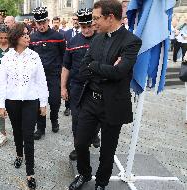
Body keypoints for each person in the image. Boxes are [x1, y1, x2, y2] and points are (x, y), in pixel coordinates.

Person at [68, 1, 142, 190]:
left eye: (96, 18)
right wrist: (106, 69)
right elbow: (82, 69)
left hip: (113, 103)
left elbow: (120, 72)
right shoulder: (97, 38)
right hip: (91, 99)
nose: (93, 23)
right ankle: (84, 173)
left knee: (107, 149)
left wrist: (96, 67)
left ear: (110, 17)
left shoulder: (131, 41)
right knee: (80, 142)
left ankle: (101, 182)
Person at [0, 23, 49, 190]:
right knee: (17, 132)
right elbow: (1, 83)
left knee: (28, 135)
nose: (28, 37)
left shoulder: (34, 56)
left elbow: (41, 81)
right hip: (12, 101)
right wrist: (1, 105)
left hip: (30, 101)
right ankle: (19, 154)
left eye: (28, 34)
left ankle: (30, 172)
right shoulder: (7, 58)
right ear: (16, 37)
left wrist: (43, 103)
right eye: (24, 34)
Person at [61, 8, 100, 162]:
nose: (87, 30)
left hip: (96, 85)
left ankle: (93, 134)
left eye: (89, 26)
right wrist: (63, 87)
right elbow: (66, 67)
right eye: (83, 27)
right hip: (76, 86)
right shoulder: (73, 41)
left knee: (96, 116)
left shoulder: (101, 39)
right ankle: (79, 147)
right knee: (76, 118)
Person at [30, 7, 66, 140]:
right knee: (40, 103)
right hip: (38, 78)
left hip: (54, 75)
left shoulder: (58, 37)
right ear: (36, 23)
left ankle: (55, 120)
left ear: (48, 21)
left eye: (44, 22)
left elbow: (64, 56)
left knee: (55, 101)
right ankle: (40, 128)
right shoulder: (32, 38)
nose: (42, 25)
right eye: (39, 23)